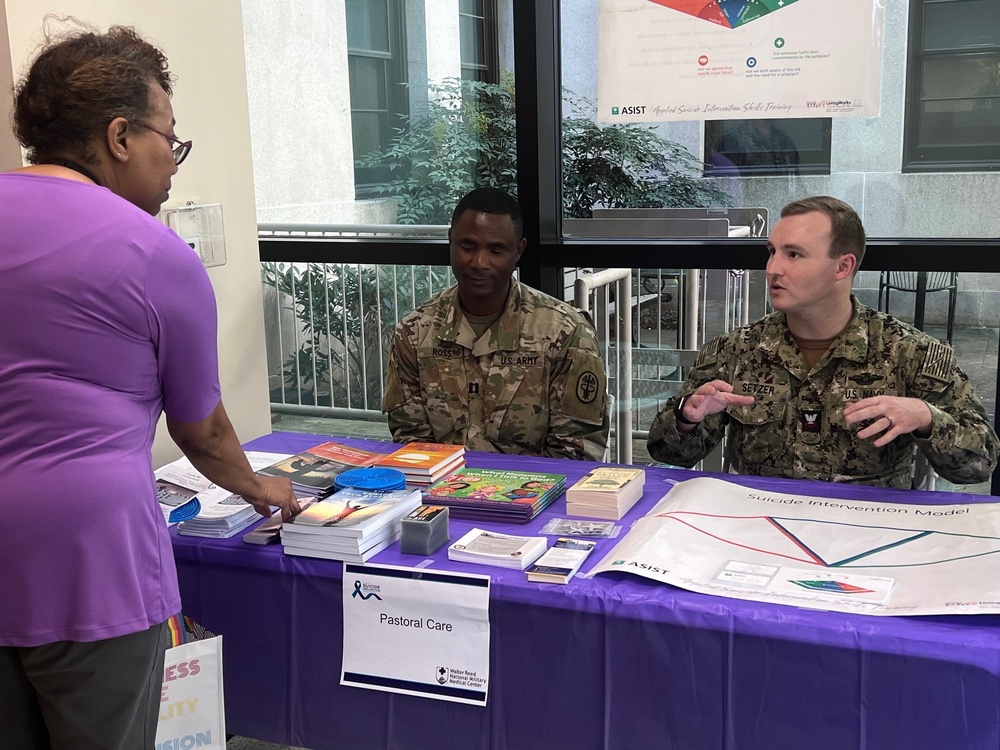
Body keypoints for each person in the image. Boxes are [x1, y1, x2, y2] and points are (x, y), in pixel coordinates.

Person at [0, 23, 300, 749]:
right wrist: (268, 490)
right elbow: (202, 430)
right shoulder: (153, 253)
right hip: (89, 567)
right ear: (120, 136)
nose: (174, 161)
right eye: (172, 138)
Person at [647, 196, 999, 488]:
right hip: (759, 524)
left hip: (869, 529)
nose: (772, 268)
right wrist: (686, 418)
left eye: (793, 254)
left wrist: (926, 418)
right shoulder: (737, 349)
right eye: (772, 251)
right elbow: (668, 454)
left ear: (843, 267)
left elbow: (979, 464)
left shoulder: (909, 352)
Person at [382, 187, 609, 460]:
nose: (479, 262)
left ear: (518, 251)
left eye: (496, 250)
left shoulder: (566, 332)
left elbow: (576, 452)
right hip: (444, 490)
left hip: (535, 493)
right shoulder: (415, 332)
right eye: (468, 246)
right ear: (450, 242)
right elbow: (412, 443)